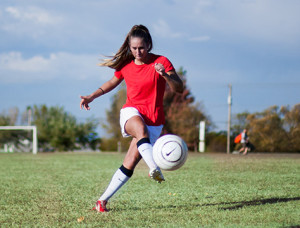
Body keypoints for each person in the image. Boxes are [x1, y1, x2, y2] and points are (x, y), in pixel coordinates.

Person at [80, 24, 183, 212]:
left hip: (155, 120)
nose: (137, 52)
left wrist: (165, 75)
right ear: (130, 47)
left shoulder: (161, 61)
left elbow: (179, 88)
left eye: (141, 48)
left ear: (149, 45)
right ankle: (154, 167)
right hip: (131, 113)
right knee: (139, 128)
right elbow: (112, 82)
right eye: (134, 48)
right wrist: (92, 96)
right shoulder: (126, 65)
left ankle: (101, 202)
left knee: (130, 162)